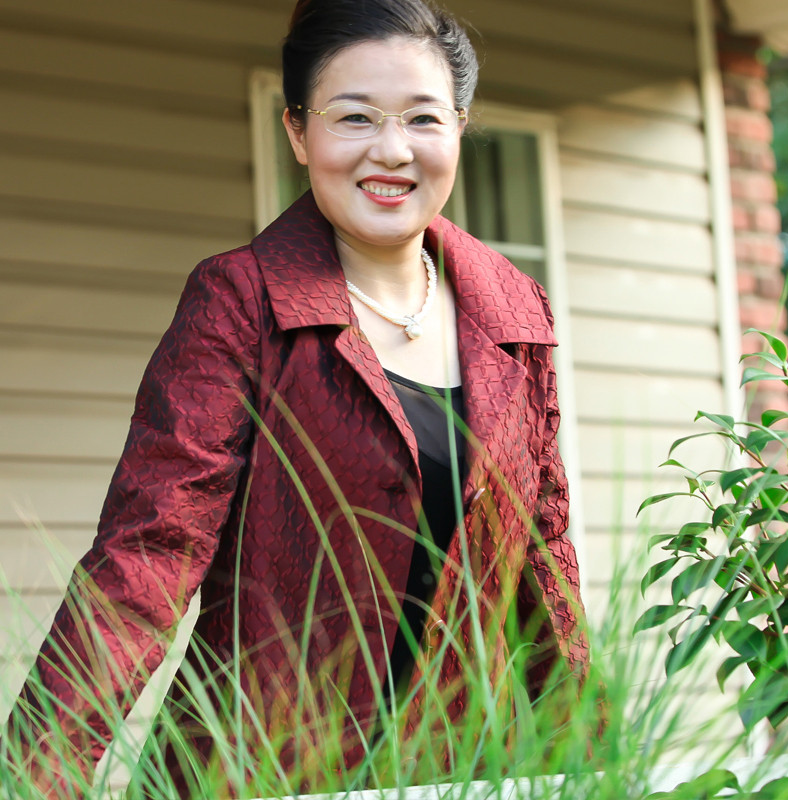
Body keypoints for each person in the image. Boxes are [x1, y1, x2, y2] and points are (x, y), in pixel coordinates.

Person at [6, 0, 589, 795]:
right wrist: (37, 775)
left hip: (459, 773)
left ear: (458, 128)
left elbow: (544, 555)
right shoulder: (240, 301)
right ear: (297, 132)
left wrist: (593, 757)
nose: (391, 151)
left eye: (422, 118)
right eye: (354, 117)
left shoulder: (515, 313)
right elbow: (151, 551)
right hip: (260, 773)